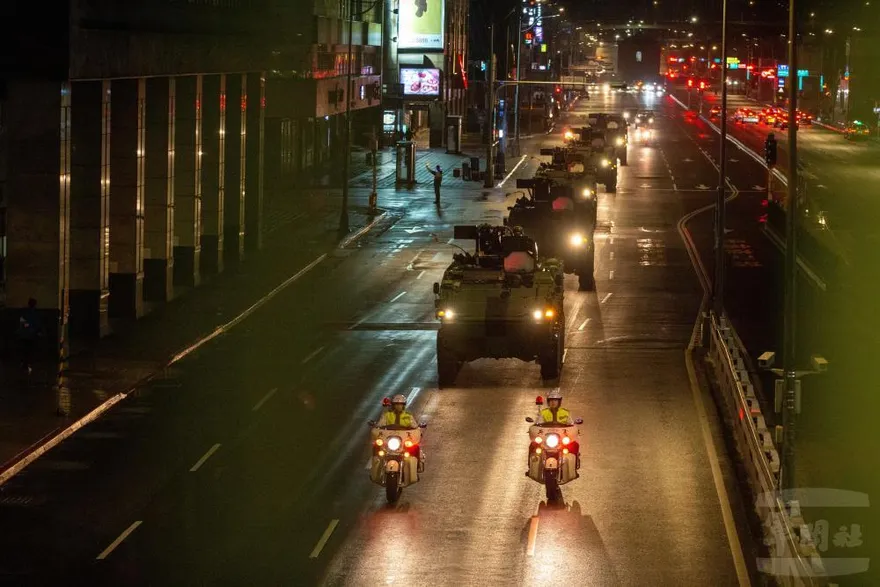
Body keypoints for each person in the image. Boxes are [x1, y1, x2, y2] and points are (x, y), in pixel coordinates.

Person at [17, 298, 43, 374]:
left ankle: (24, 363)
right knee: (30, 350)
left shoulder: (25, 312)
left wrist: (25, 327)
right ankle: (27, 364)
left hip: (24, 334)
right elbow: (37, 324)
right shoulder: (35, 313)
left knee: (24, 349)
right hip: (31, 335)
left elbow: (22, 322)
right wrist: (38, 331)